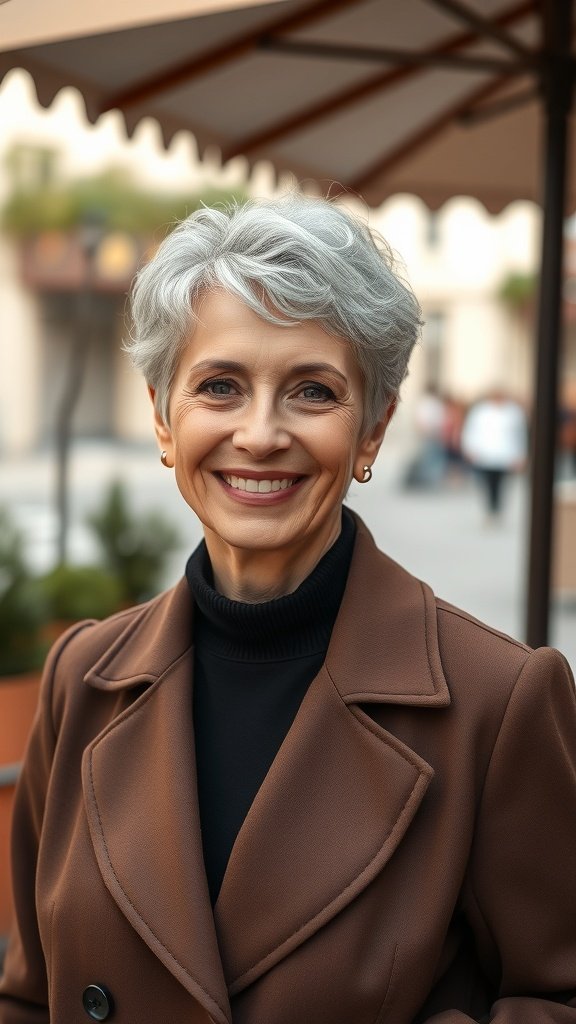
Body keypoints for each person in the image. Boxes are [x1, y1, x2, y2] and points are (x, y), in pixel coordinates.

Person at [1, 197, 575, 1024]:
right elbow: (26, 992)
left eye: (312, 390)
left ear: (372, 431)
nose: (261, 434)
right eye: (220, 387)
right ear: (165, 419)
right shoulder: (80, 680)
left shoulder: (500, 699)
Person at [460, 389, 528, 521]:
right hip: (484, 454)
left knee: (501, 484)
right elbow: (471, 430)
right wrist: (469, 448)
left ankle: (497, 508)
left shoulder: (513, 412)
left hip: (505, 456)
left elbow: (519, 435)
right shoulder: (480, 411)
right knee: (486, 483)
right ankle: (490, 509)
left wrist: (521, 455)